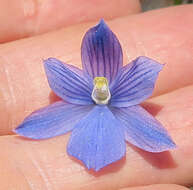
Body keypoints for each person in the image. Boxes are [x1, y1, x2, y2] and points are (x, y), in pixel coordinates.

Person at [0, 1, 192, 189]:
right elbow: (41, 123)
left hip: (119, 110)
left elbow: (152, 136)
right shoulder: (69, 84)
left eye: (103, 85)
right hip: (83, 107)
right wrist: (24, 128)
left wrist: (163, 142)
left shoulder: (132, 91)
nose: (101, 87)